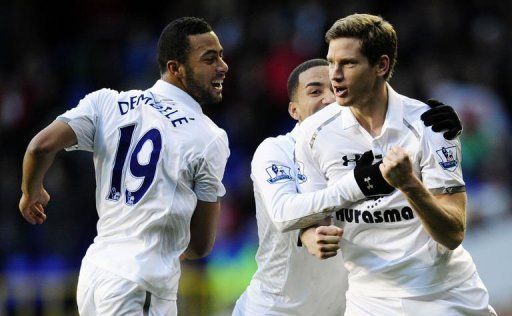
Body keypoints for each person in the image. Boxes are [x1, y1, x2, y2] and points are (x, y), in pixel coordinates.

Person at [18, 17, 229, 316]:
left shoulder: (106, 103)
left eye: (221, 55)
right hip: (141, 280)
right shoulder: (208, 136)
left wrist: (31, 191)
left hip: (96, 274)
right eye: (210, 59)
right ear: (175, 68)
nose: (223, 65)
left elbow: (40, 146)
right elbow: (200, 246)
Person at [294, 14, 496, 315]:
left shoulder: (431, 125)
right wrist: (310, 235)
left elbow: (453, 233)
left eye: (348, 63)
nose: (334, 75)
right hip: (370, 301)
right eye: (331, 62)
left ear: (381, 66)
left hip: (445, 296)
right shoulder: (314, 134)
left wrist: (409, 185)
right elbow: (310, 214)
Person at [233, 58, 464, 315]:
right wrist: (308, 230)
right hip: (274, 309)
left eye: (335, 89)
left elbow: (426, 194)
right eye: (315, 91)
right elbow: (283, 212)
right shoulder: (276, 150)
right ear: (294, 110)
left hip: (346, 307)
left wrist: (437, 135)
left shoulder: (373, 143)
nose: (329, 99)